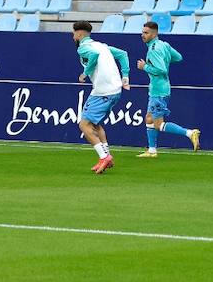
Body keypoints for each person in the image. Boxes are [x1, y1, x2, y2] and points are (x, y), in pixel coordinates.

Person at [73, 21, 130, 174]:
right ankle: (107, 155)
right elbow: (123, 54)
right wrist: (125, 76)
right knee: (95, 125)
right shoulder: (102, 45)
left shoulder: (84, 48)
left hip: (104, 91)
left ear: (79, 34)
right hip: (113, 90)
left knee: (84, 125)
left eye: (73, 34)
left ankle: (104, 157)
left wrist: (85, 73)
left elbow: (94, 56)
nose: (73, 37)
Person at [136, 21, 198, 158]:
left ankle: (189, 133)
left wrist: (144, 67)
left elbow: (162, 70)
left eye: (146, 33)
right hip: (160, 89)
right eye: (142, 32)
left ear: (154, 34)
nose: (143, 35)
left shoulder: (153, 50)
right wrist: (164, 59)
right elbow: (178, 57)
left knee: (158, 124)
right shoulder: (164, 45)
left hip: (159, 90)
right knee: (149, 118)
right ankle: (152, 151)